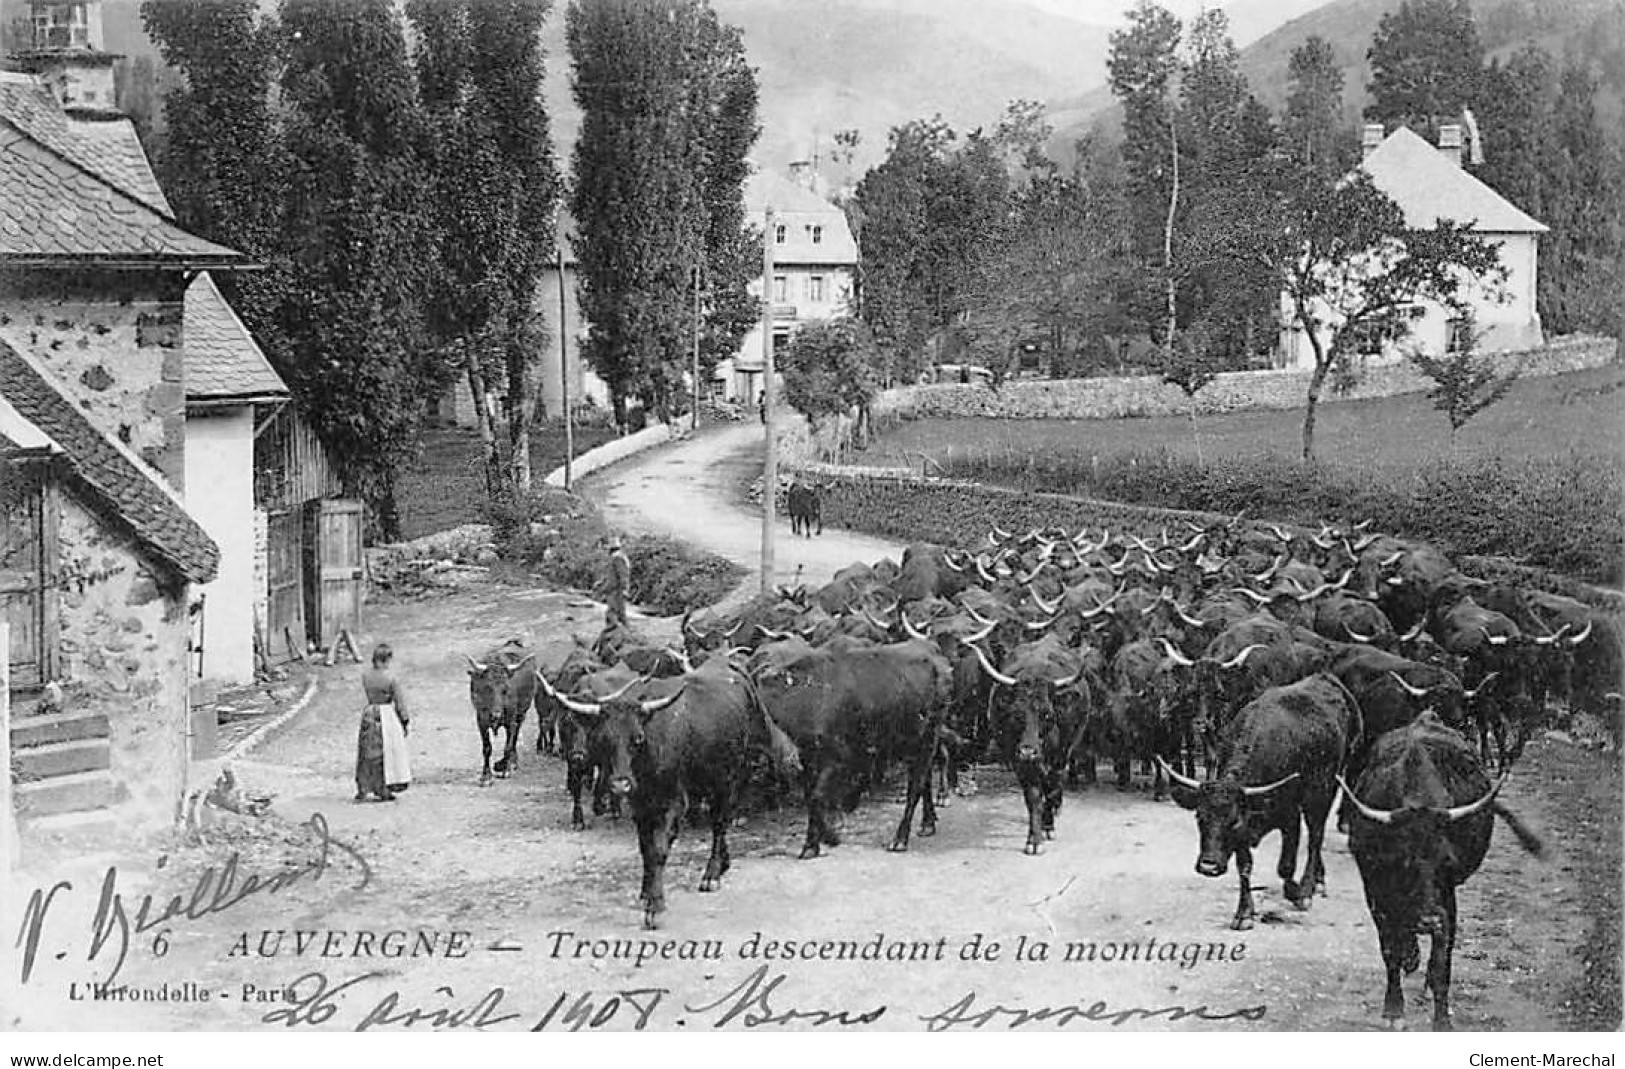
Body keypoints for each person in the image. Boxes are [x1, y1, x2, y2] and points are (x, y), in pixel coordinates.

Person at [356, 642, 411, 802]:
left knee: (366, 752)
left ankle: (363, 786)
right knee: (385, 753)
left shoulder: (366, 676)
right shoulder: (390, 678)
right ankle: (383, 788)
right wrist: (404, 721)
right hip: (386, 715)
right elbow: (399, 702)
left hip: (369, 712)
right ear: (386, 659)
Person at [602, 534, 632, 629]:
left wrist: (624, 590)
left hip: (617, 591)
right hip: (614, 590)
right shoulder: (618, 557)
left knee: (617, 614)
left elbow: (623, 576)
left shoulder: (617, 558)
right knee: (616, 613)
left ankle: (626, 634)